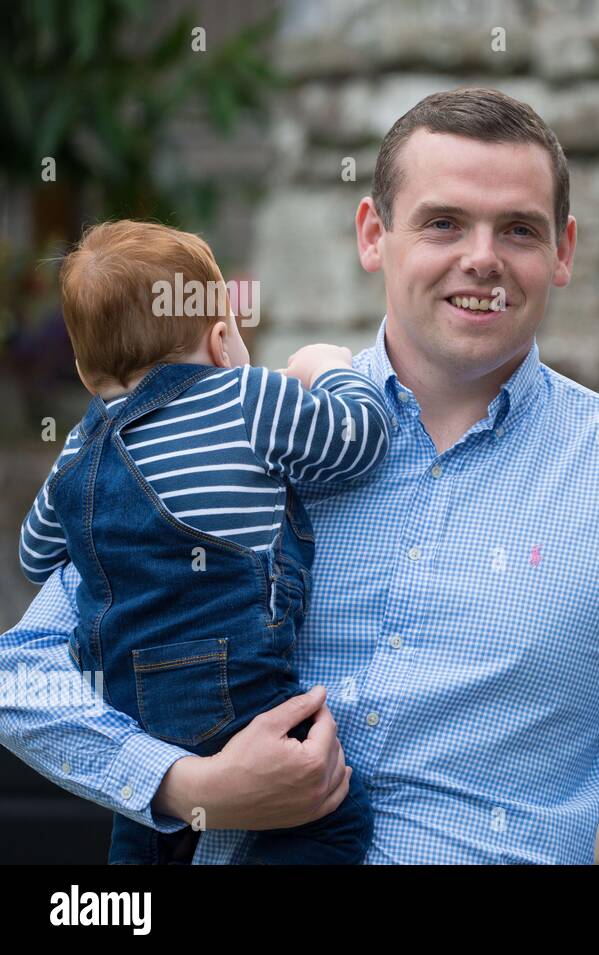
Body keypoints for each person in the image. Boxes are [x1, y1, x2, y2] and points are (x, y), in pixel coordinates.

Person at [1, 87, 599, 864]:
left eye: (518, 229)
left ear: (563, 251)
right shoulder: (247, 436)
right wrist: (186, 785)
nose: (480, 257)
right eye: (443, 222)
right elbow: (23, 674)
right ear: (373, 234)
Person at [16, 220, 389, 863]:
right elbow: (359, 440)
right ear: (221, 340)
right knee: (330, 819)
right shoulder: (247, 396)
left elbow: (35, 555)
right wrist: (328, 369)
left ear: (84, 372)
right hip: (239, 690)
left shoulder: (80, 453)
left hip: (134, 714)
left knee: (146, 835)